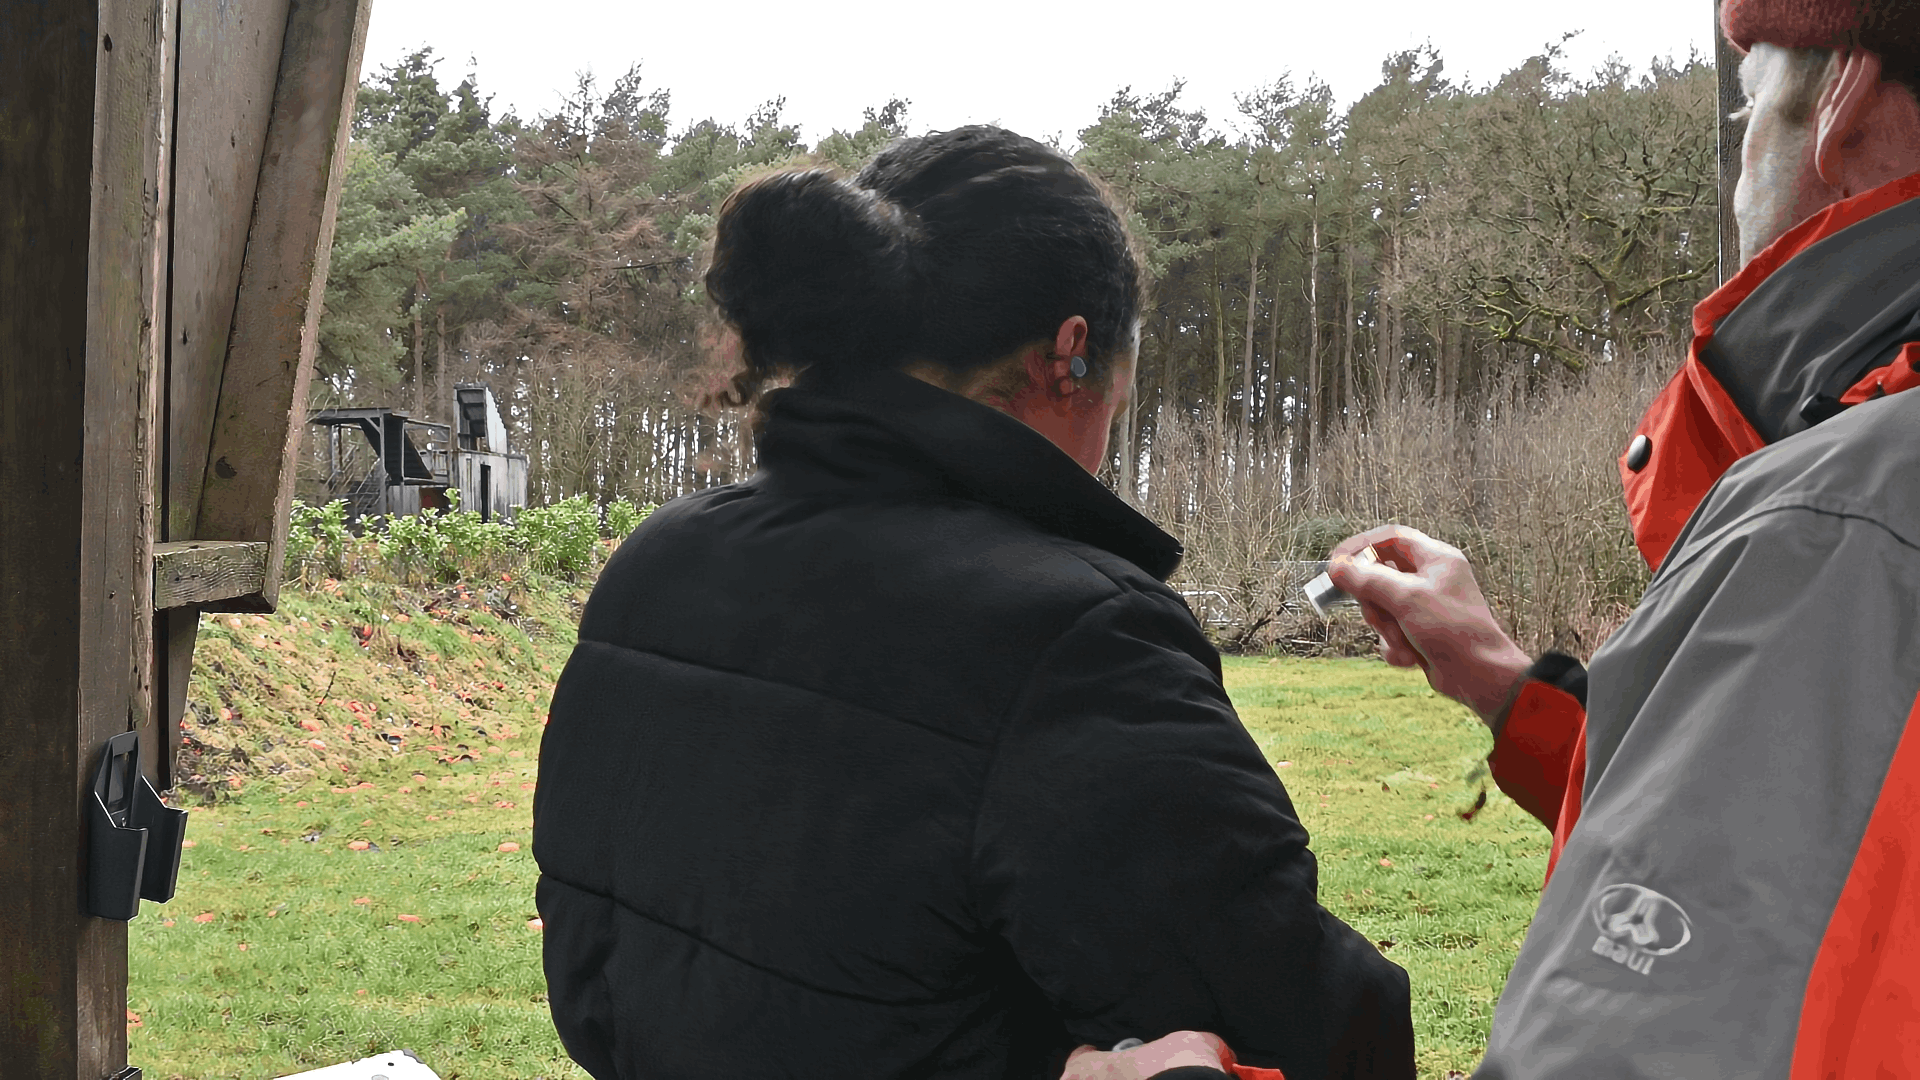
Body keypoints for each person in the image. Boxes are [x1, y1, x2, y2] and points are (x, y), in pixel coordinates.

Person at [532, 125, 1413, 1080]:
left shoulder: (658, 558)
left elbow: (610, 979)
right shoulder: (1080, 639)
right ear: (1069, 355)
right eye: (1121, 396)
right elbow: (1307, 1028)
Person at [1310, 0, 1920, 1073]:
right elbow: (1822, 853)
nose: (1740, 170)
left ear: (1841, 104)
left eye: (1746, 118)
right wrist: (1504, 685)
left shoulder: (1848, 517)